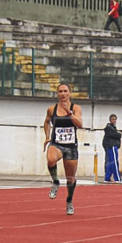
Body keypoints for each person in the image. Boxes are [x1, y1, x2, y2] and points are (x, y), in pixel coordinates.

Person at [44, 83, 83, 215]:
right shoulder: (51, 109)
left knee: (70, 178)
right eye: (60, 91)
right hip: (57, 143)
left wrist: (69, 113)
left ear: (69, 93)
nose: (62, 94)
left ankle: (69, 200)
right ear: (57, 93)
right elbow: (47, 121)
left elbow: (80, 124)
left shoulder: (76, 108)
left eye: (65, 91)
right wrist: (47, 137)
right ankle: (55, 182)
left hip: (71, 146)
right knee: (50, 159)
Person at [102, 113, 122, 183]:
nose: (114, 121)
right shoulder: (109, 128)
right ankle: (117, 178)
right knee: (114, 162)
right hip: (112, 146)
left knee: (109, 162)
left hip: (109, 146)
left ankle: (107, 178)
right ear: (110, 120)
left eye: (115, 119)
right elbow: (116, 135)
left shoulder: (112, 128)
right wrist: (119, 134)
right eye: (112, 119)